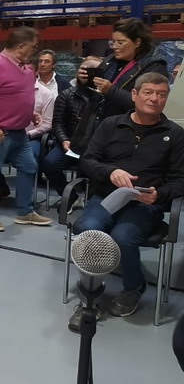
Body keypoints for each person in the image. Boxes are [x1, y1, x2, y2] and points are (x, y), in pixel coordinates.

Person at [68, 72, 184, 330]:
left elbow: (180, 180)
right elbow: (87, 160)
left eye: (161, 94)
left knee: (123, 236)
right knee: (90, 230)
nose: (154, 99)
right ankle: (89, 300)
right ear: (134, 94)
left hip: (145, 203)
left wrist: (159, 194)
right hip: (106, 196)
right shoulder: (111, 124)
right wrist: (110, 172)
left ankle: (134, 286)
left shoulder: (175, 134)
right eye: (148, 92)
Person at [0, 27, 51, 232]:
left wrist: (29, 113)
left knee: (29, 166)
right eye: (33, 47)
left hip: (19, 132)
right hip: (0, 132)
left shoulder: (24, 68)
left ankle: (25, 212)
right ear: (21, 46)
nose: (34, 51)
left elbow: (15, 96)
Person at [42, 58, 103, 211]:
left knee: (99, 167)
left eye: (92, 70)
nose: (87, 73)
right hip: (71, 144)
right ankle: (70, 196)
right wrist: (64, 140)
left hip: (97, 148)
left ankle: (95, 204)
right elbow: (58, 123)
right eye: (84, 69)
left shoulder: (106, 97)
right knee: (49, 163)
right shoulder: (66, 95)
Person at [80, 18, 167, 120]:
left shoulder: (154, 67)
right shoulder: (111, 60)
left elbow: (148, 103)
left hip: (127, 125)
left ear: (137, 42)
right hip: (101, 122)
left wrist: (111, 90)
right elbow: (93, 95)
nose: (115, 46)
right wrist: (85, 82)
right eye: (113, 42)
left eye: (120, 43)